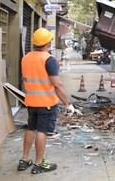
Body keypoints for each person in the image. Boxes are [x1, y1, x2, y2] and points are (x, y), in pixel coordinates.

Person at [18, 28, 82, 174]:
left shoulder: (26, 57)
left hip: (31, 102)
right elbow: (57, 85)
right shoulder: (49, 60)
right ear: (48, 42)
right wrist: (67, 103)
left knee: (31, 129)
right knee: (42, 131)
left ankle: (25, 159)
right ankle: (39, 163)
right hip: (46, 103)